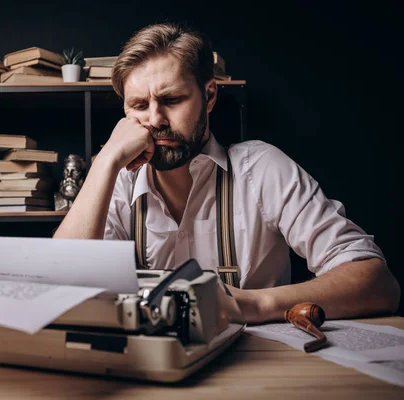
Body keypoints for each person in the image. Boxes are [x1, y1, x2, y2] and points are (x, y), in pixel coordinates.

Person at [53, 22, 400, 323]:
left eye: (172, 100)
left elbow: (376, 282)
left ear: (209, 95)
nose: (155, 120)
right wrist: (106, 160)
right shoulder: (117, 181)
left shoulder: (262, 170)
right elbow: (58, 289)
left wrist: (253, 303)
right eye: (139, 106)